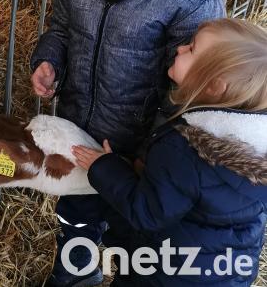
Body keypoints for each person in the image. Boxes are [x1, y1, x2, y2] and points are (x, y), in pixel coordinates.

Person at [29, 0, 225, 286]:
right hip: (80, 127)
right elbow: (61, 26)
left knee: (132, 233)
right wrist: (48, 60)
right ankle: (74, 277)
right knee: (77, 215)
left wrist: (148, 154)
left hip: (140, 151)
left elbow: (192, 87)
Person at [73, 18, 267, 286]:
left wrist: (105, 167)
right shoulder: (255, 147)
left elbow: (148, 212)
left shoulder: (185, 150)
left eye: (191, 49)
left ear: (214, 85)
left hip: (165, 273)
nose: (180, 49)